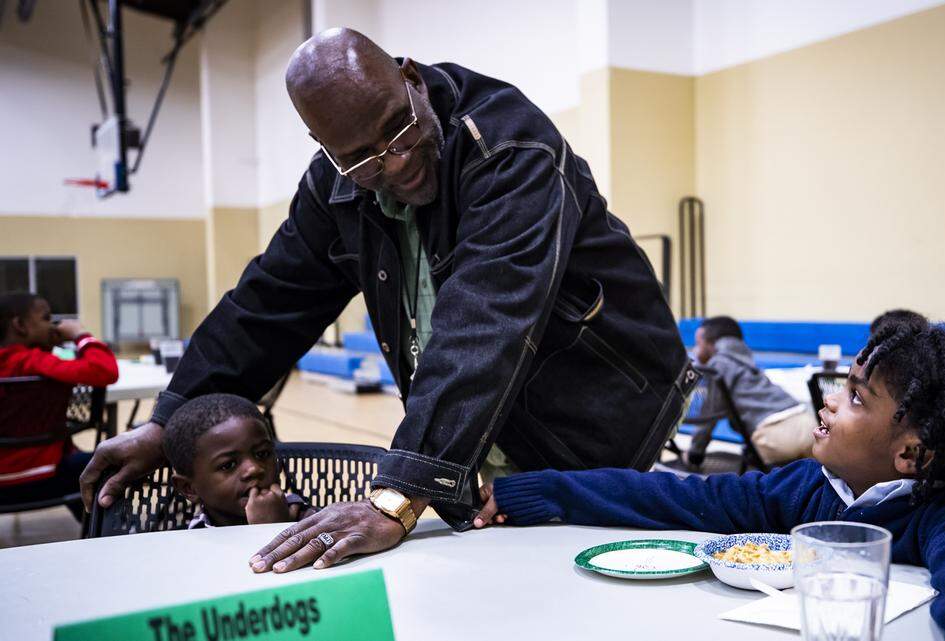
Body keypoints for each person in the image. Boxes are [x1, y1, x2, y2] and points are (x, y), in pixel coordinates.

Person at [81, 28, 694, 572]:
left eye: (397, 130)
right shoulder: (334, 183)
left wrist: (400, 492)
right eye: (360, 159)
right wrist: (169, 421)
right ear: (323, 146)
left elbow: (486, 320)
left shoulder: (509, 146)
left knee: (583, 573)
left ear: (412, 79)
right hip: (485, 424)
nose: (394, 164)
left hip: (593, 408)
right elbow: (269, 302)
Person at [475, 324, 945, 641]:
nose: (828, 400)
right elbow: (677, 496)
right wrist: (537, 492)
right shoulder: (804, 487)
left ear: (910, 455)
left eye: (855, 397)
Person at [0, 292, 118, 520]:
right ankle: (102, 534)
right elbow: (105, 370)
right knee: (106, 463)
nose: (53, 325)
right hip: (35, 478)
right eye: (46, 319)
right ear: (20, 325)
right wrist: (81, 336)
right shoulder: (31, 361)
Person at [162, 394, 315, 528]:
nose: (254, 469)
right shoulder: (195, 536)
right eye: (228, 465)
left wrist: (275, 528)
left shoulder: (311, 520)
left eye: (262, 454)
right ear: (189, 488)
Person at [689, 316, 814, 468]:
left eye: (698, 344)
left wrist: (695, 453)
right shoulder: (747, 362)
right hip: (808, 424)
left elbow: (709, 415)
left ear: (710, 344)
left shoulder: (718, 364)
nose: (695, 350)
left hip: (775, 434)